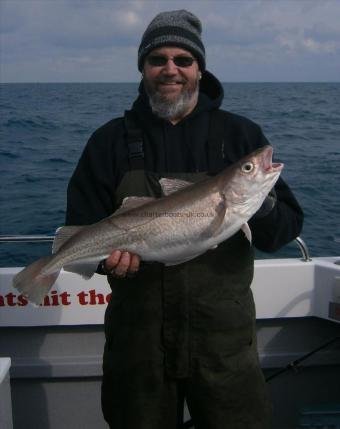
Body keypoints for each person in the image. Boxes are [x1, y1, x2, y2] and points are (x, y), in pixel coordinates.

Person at [66, 9, 303, 429]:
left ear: (199, 69)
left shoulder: (242, 135)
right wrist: (107, 262)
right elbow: (82, 225)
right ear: (142, 67)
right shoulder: (108, 141)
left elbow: (281, 232)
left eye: (183, 60)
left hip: (224, 342)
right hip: (137, 342)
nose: (170, 70)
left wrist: (258, 200)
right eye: (158, 59)